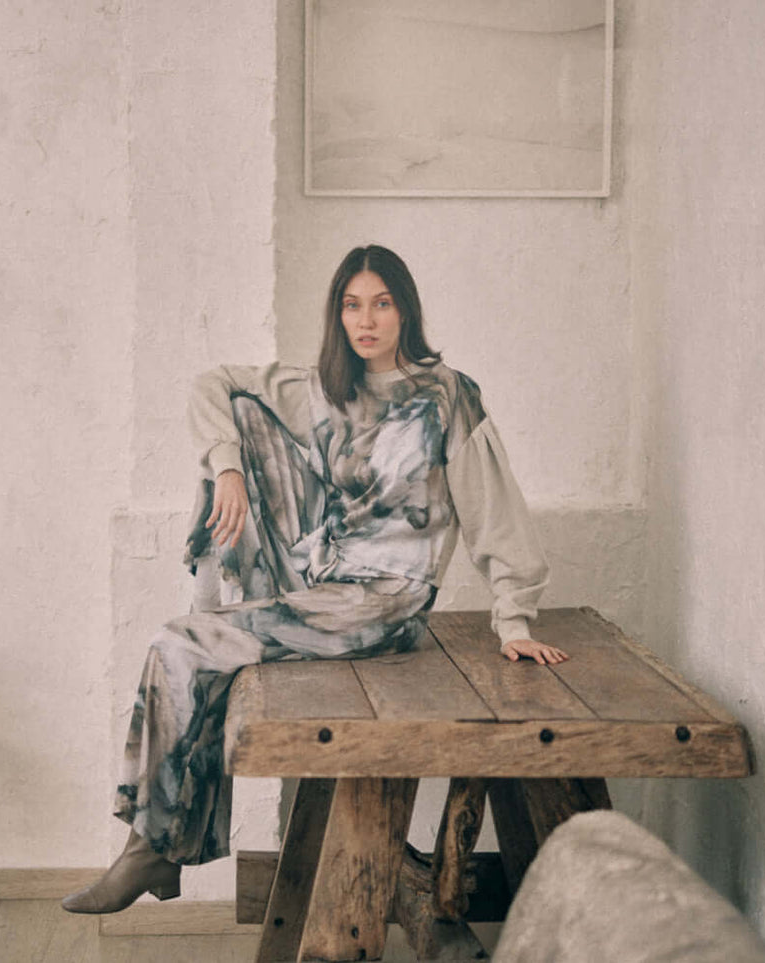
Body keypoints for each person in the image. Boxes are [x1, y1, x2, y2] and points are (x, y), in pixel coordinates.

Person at [61, 244, 566, 914]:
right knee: (238, 416)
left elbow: (493, 509)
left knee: (180, 645)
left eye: (382, 303)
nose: (367, 319)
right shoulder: (324, 391)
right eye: (352, 304)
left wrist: (514, 619)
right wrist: (230, 466)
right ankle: (157, 841)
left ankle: (152, 846)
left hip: (385, 600)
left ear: (404, 311)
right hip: (314, 574)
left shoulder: (446, 395)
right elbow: (210, 383)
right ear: (338, 314)